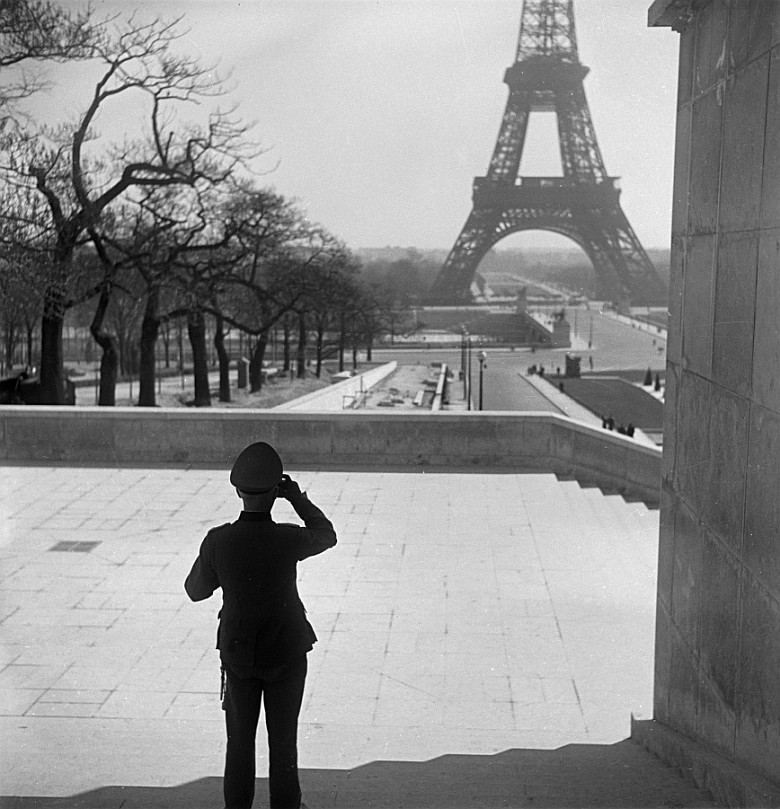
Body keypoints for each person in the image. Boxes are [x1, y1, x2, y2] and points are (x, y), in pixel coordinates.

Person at [185, 441, 337, 809]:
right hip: (286, 650)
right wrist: (296, 498)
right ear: (275, 492)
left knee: (239, 740)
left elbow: (195, 591)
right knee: (283, 741)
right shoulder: (288, 538)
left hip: (239, 655)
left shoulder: (219, 540)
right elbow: (326, 534)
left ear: (238, 491)